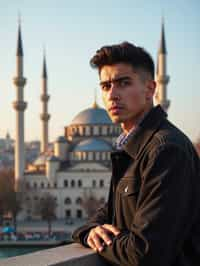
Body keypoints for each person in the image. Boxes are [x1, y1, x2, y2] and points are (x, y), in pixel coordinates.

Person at [72, 42, 200, 266]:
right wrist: (88, 231)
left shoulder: (165, 150)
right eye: (105, 86)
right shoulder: (131, 149)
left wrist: (101, 241)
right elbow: (111, 213)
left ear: (150, 89)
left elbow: (144, 252)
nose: (112, 95)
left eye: (123, 83)